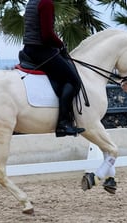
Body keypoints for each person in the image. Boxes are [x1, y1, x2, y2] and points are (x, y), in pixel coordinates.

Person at [22, 0, 85, 137]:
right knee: (73, 80)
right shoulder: (46, 3)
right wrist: (61, 45)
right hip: (41, 50)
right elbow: (47, 35)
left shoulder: (32, 2)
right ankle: (63, 123)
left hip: (29, 48)